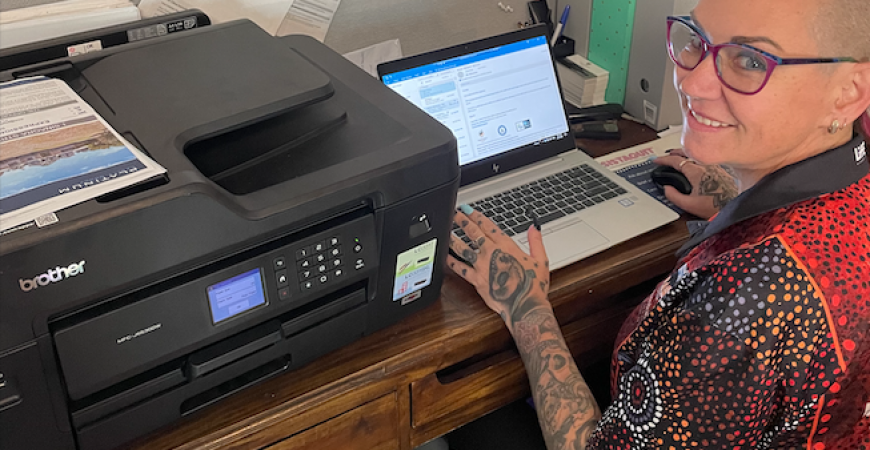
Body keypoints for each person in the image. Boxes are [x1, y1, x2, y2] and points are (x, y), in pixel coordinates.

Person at [446, 0, 870, 448]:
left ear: (848, 92)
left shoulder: (742, 305)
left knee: (473, 414)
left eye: (750, 61)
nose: (692, 81)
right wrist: (735, 202)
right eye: (698, 41)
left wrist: (525, 307)